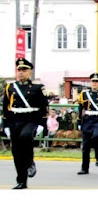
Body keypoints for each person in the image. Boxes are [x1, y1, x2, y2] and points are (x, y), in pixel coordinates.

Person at [1, 58, 48, 189]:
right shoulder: (10, 87)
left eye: (24, 70)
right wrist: (5, 125)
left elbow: (44, 107)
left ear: (30, 72)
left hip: (31, 119)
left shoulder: (38, 88)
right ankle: (22, 180)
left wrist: (41, 124)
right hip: (15, 120)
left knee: (25, 136)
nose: (21, 73)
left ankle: (30, 162)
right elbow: (5, 107)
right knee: (16, 152)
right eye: (19, 70)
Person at [77, 73, 98, 175]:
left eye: (97, 82)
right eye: (93, 82)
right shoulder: (84, 94)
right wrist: (79, 121)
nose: (95, 84)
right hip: (88, 119)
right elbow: (80, 108)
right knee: (86, 145)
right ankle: (84, 168)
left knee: (97, 136)